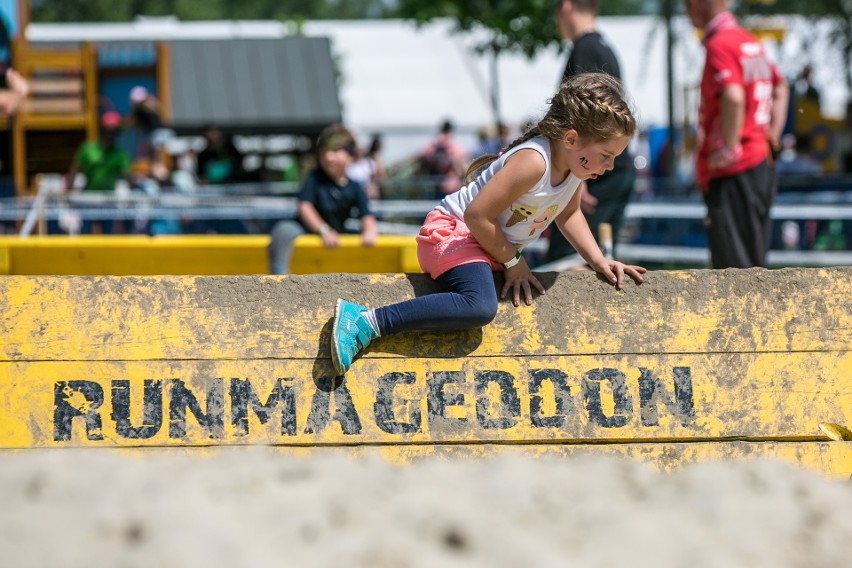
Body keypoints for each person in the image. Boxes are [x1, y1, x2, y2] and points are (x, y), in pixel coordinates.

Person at [328, 73, 646, 376]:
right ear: (572, 138)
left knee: (487, 297)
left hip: (485, 247)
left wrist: (599, 261)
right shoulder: (535, 162)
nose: (611, 166)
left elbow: (569, 215)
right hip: (454, 234)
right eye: (606, 155)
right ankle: (366, 322)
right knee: (480, 306)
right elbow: (476, 216)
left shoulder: (574, 172)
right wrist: (513, 262)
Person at [685, 0, 788, 268]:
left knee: (734, 271)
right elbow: (780, 88)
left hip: (734, 171)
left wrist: (730, 148)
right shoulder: (749, 41)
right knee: (753, 262)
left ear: (697, 5)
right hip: (759, 162)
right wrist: (772, 135)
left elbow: (733, 96)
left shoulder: (719, 43)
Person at [545, 0, 636, 264]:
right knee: (598, 259)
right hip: (609, 171)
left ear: (565, 6)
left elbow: (588, 119)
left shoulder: (586, 48)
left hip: (597, 176)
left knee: (568, 263)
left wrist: (578, 177)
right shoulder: (602, 46)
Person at [268, 124, 378, 275]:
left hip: (335, 236)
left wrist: (369, 231)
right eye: (324, 152)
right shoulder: (315, 178)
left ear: (350, 157)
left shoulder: (355, 187)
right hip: (305, 231)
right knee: (283, 229)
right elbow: (304, 206)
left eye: (335, 151)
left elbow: (366, 215)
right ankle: (279, 278)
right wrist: (323, 230)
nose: (328, 157)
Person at [65, 111, 132, 234]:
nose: (111, 136)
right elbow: (75, 168)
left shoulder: (119, 154)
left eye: (114, 132)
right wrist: (70, 189)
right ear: (102, 131)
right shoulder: (88, 149)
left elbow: (127, 177)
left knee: (107, 235)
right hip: (88, 197)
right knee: (85, 232)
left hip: (108, 199)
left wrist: (129, 195)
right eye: (108, 132)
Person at [418, 120, 469, 199]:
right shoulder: (454, 145)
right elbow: (461, 164)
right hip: (451, 186)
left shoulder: (432, 145)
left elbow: (422, 157)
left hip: (434, 185)